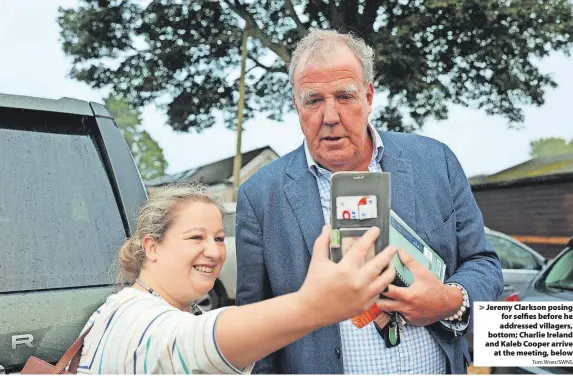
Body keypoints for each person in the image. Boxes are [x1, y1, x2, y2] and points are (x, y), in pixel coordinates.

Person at [235, 28, 503, 374]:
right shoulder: (260, 196)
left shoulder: (436, 162)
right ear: (295, 104)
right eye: (313, 100)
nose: (330, 116)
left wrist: (448, 300)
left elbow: (483, 262)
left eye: (345, 96)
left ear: (369, 96)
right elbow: (254, 329)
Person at [75, 181, 397, 374]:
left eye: (217, 238)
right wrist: (312, 307)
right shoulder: (134, 317)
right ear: (152, 246)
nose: (214, 252)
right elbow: (192, 343)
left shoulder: (151, 307)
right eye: (195, 238)